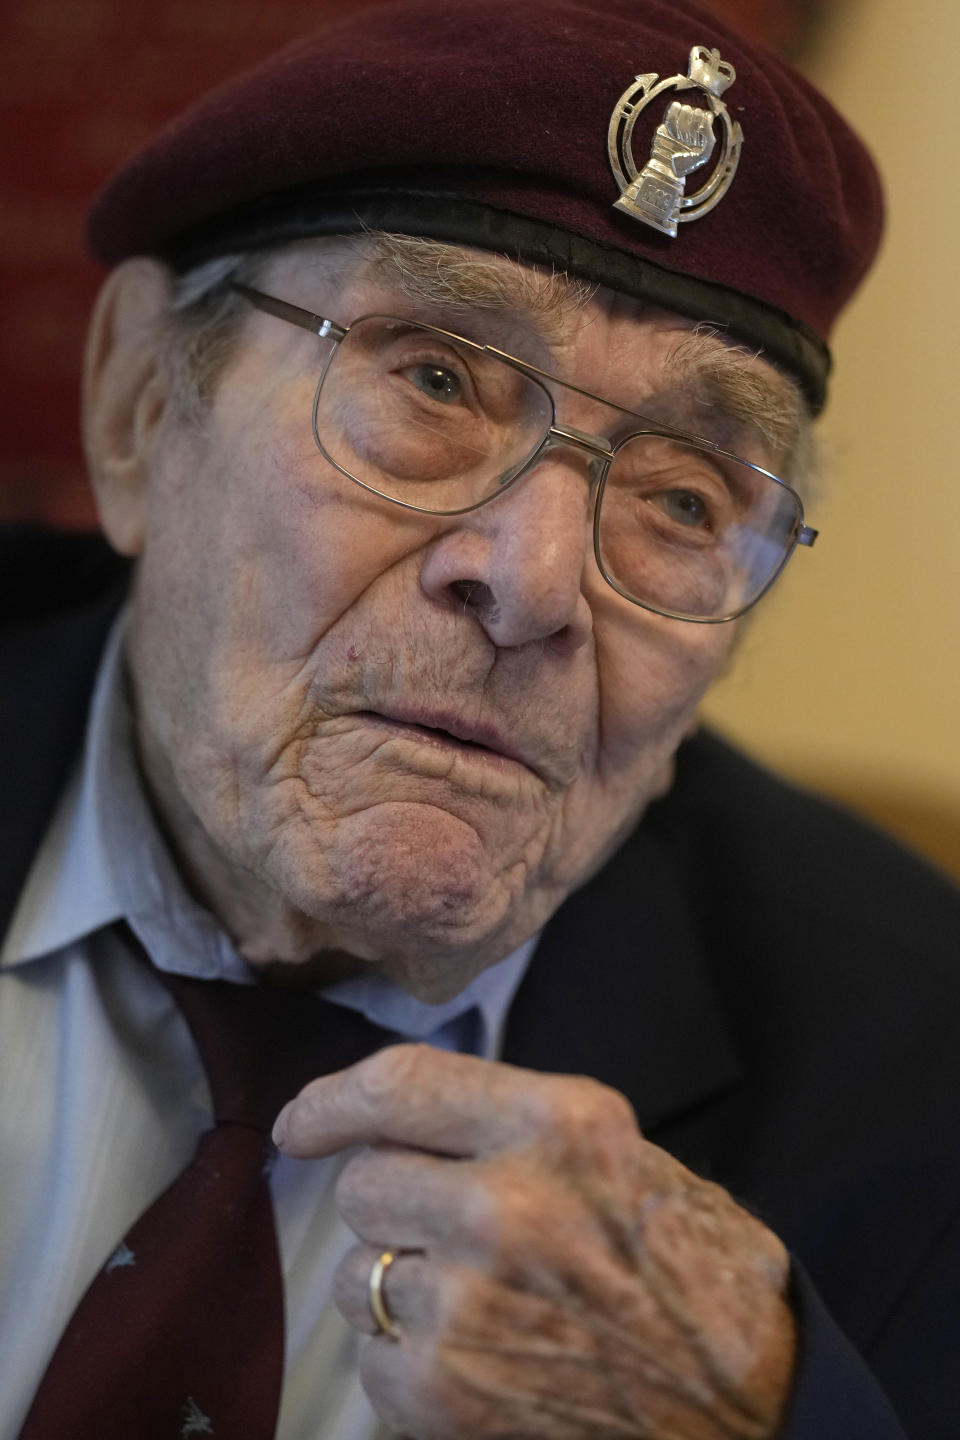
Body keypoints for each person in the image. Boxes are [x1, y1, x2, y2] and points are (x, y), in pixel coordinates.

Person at [1, 0, 958, 1436]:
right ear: (143, 406)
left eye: (684, 497)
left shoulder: (920, 1075)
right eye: (436, 378)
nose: (531, 581)